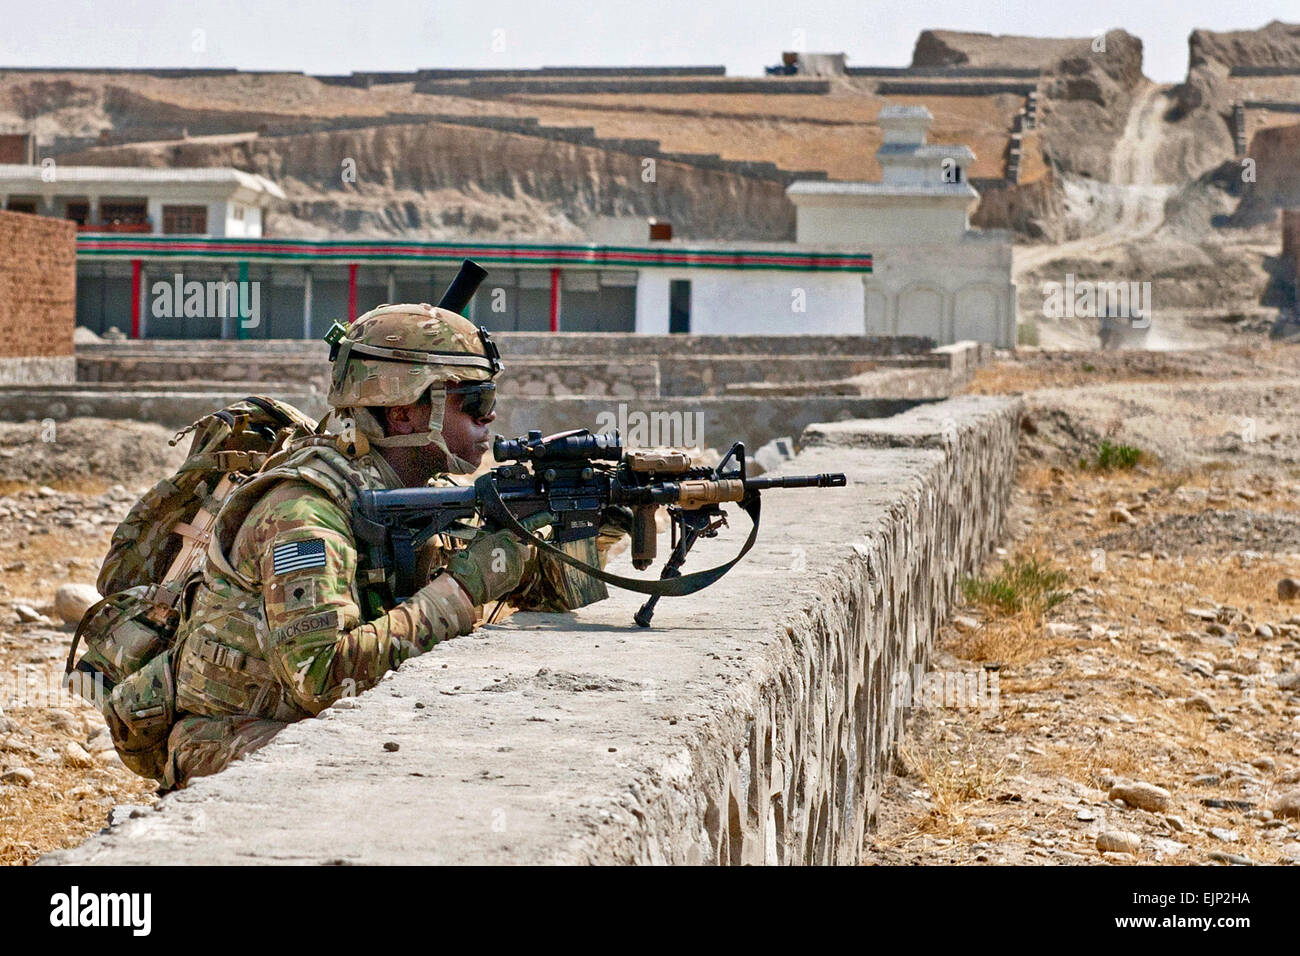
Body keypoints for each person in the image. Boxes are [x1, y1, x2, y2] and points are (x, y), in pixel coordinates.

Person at [159, 303, 620, 789]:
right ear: (403, 412)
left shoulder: (422, 497)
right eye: (474, 403)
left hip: (302, 722)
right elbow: (323, 678)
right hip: (233, 738)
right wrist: (462, 589)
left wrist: (592, 520)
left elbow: (557, 596)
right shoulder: (304, 512)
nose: (492, 418)